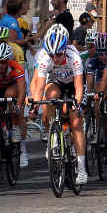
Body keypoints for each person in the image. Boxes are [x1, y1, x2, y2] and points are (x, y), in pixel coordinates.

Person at [30, 27, 89, 184]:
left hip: (74, 85)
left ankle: (81, 168)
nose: (55, 59)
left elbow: (79, 87)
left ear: (65, 50)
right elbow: (40, 87)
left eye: (58, 55)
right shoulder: (45, 59)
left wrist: (76, 105)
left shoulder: (73, 57)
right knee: (49, 96)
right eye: (52, 55)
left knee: (76, 122)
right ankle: (54, 133)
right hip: (57, 82)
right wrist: (34, 106)